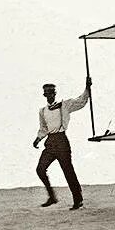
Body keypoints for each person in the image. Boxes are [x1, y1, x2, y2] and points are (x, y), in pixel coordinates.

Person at [34, 78, 91, 209]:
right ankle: (52, 197)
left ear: (55, 94)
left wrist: (87, 87)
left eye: (51, 93)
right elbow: (43, 128)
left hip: (62, 141)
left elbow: (81, 101)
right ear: (44, 95)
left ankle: (78, 200)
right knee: (40, 169)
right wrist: (38, 139)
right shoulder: (42, 111)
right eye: (47, 94)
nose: (49, 96)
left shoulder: (65, 105)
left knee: (68, 171)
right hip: (50, 143)